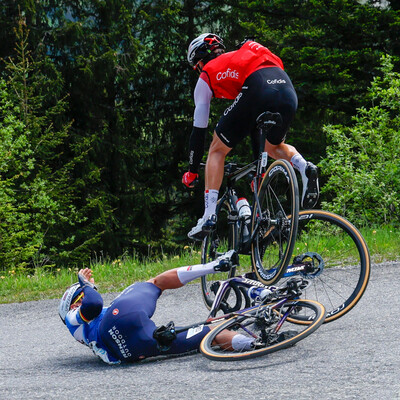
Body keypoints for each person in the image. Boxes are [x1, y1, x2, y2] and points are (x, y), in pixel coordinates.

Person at [182, 33, 320, 240]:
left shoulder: (208, 73)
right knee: (274, 147)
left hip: (258, 87)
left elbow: (198, 131)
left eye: (197, 66)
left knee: (217, 150)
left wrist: (192, 172)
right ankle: (304, 167)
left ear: (201, 59)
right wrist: (259, 170)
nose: (199, 70)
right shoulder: (244, 54)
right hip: (286, 88)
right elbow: (257, 125)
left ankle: (209, 216)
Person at [59, 250, 258, 364]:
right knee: (156, 282)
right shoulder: (71, 317)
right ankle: (216, 265)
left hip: (131, 351)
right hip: (118, 318)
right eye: (82, 294)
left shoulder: (83, 334)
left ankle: (256, 345)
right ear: (75, 301)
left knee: (211, 335)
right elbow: (94, 303)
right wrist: (86, 284)